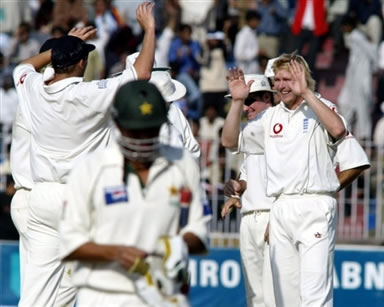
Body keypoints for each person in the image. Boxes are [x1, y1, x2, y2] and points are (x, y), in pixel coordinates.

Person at [12, 3, 156, 306]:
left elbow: (22, 66)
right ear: (80, 65)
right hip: (78, 199)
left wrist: (62, 48)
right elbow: (142, 72)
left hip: (42, 198)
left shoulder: (35, 88)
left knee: (37, 294)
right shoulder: (89, 93)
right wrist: (150, 29)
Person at [59, 80, 210, 306]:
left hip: (164, 295)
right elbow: (71, 244)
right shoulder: (90, 168)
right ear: (118, 124)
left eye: (151, 130)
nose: (144, 139)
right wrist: (117, 253)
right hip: (104, 295)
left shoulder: (181, 161)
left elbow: (200, 232)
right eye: (136, 131)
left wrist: (178, 246)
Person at [221, 53, 347, 306]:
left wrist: (308, 94)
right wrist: (237, 103)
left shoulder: (320, 107)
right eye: (277, 79)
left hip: (315, 205)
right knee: (284, 298)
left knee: (314, 295)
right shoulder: (270, 117)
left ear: (303, 78)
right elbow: (230, 141)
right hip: (280, 208)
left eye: (288, 78)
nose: (281, 85)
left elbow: (338, 130)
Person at [221, 74, 276, 307]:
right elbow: (248, 175)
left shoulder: (276, 122)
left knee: (276, 294)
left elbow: (228, 142)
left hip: (272, 216)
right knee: (255, 297)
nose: (245, 106)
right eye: (242, 101)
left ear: (267, 97)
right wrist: (237, 188)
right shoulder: (254, 128)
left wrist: (278, 217)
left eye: (250, 99)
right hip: (250, 216)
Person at [337, 14, 377, 140]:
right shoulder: (353, 37)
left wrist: (374, 68)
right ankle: (348, 132)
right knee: (344, 102)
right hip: (352, 78)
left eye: (344, 26)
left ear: (349, 26)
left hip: (361, 78)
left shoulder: (358, 37)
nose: (343, 29)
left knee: (362, 108)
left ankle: (364, 136)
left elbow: (372, 52)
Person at [233, 10, 261, 74]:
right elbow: (239, 54)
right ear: (251, 20)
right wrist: (256, 53)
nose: (258, 23)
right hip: (245, 70)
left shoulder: (253, 33)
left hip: (253, 69)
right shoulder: (243, 34)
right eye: (256, 21)